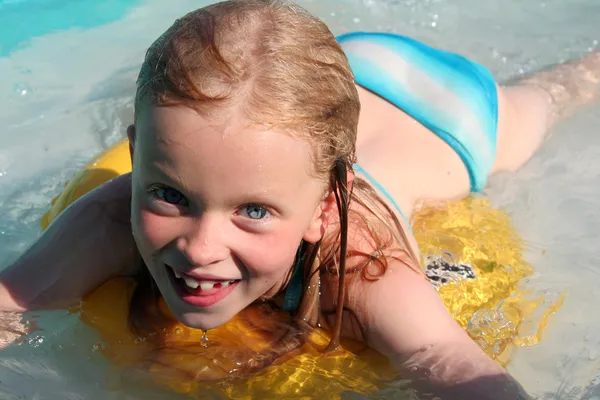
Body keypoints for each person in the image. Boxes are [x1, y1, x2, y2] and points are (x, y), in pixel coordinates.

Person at [1, 0, 599, 398]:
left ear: (323, 207)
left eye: (253, 211)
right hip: (289, 89)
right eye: (170, 194)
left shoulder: (364, 265)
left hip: (443, 117)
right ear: (137, 158)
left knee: (559, 92)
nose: (201, 247)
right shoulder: (110, 217)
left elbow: (446, 360)